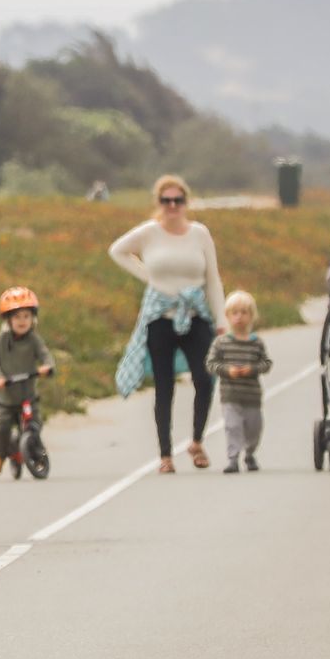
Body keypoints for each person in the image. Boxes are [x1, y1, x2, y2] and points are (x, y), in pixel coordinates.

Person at [111, 175, 226, 473]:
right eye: (166, 201)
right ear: (159, 203)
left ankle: (197, 441)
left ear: (186, 203)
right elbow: (117, 250)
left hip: (195, 313)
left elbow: (212, 279)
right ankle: (165, 455)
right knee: (164, 386)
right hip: (160, 317)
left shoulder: (200, 234)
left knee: (204, 377)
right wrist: (149, 277)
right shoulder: (149, 233)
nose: (172, 206)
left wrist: (221, 319)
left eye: (178, 201)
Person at [0, 286, 55, 474]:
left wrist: (47, 367)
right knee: (2, 426)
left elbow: (45, 355)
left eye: (26, 316)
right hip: (5, 398)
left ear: (33, 318)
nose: (22, 321)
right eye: (17, 317)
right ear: (8, 320)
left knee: (35, 423)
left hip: (27, 396)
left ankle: (32, 446)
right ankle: (0, 456)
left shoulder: (34, 339)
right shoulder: (2, 339)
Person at [204, 290, 271, 473]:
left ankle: (250, 453)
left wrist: (252, 369)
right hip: (230, 395)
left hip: (252, 395)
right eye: (235, 313)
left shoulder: (256, 343)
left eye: (244, 313)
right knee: (232, 426)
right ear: (227, 316)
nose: (239, 317)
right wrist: (227, 371)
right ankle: (233, 458)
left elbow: (266, 363)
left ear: (251, 316)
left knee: (253, 428)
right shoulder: (221, 342)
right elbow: (211, 364)